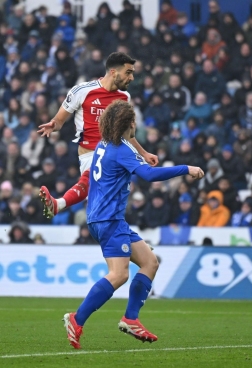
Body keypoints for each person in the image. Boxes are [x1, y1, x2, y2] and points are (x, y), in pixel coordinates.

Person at [62, 100, 203, 349]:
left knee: (149, 262)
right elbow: (148, 175)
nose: (135, 124)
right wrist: (186, 168)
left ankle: (131, 318)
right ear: (128, 124)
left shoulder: (105, 145)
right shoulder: (121, 149)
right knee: (119, 274)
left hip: (106, 217)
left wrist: (143, 153)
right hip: (108, 219)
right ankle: (76, 319)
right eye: (133, 120)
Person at [38, 52, 159, 219]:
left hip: (115, 152)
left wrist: (144, 153)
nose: (131, 78)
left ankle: (132, 243)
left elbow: (128, 135)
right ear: (113, 72)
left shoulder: (125, 97)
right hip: (90, 153)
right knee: (95, 184)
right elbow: (59, 121)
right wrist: (54, 124)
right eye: (128, 72)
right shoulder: (82, 91)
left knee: (111, 207)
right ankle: (59, 204)